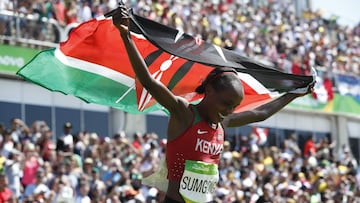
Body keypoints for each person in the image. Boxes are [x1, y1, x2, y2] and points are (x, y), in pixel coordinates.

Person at [112, 4, 314, 203]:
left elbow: (261, 113)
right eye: (226, 103)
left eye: (234, 107)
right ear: (209, 91)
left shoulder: (222, 123)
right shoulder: (184, 113)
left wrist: (295, 94)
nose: (229, 111)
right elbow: (147, 81)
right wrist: (126, 35)